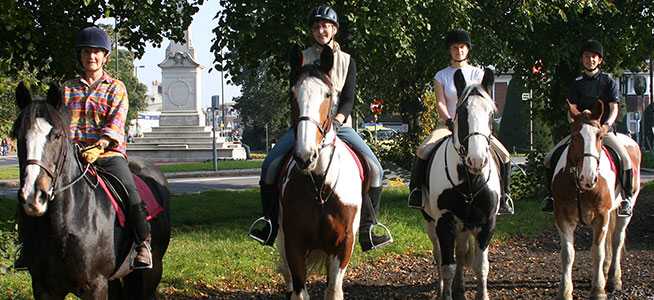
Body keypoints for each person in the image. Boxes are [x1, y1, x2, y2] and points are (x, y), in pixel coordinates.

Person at [248, 5, 393, 251]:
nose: (321, 30)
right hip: (307, 126)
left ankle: (369, 226)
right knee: (270, 165)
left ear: (334, 29)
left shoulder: (347, 61)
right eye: (316, 26)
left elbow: (348, 98)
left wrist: (337, 120)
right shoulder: (302, 58)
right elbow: (295, 94)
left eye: (326, 25)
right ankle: (270, 222)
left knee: (375, 168)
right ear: (311, 31)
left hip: (339, 125)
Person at [407, 29, 514, 215]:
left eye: (462, 47)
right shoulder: (441, 75)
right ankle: (417, 192)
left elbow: (485, 101)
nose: (459, 51)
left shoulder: (478, 73)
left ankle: (504, 197)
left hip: (475, 127)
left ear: (468, 49)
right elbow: (440, 101)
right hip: (448, 125)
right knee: (423, 150)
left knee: (504, 155)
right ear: (450, 50)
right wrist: (448, 119)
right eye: (455, 48)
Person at [541, 39, 635, 217]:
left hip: (602, 131)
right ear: (582, 59)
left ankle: (627, 198)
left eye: (593, 57)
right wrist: (575, 124)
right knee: (550, 158)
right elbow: (571, 109)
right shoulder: (576, 83)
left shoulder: (608, 81)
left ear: (599, 60)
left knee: (625, 159)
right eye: (586, 56)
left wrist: (606, 125)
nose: (589, 60)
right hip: (581, 131)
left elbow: (614, 107)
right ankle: (551, 197)